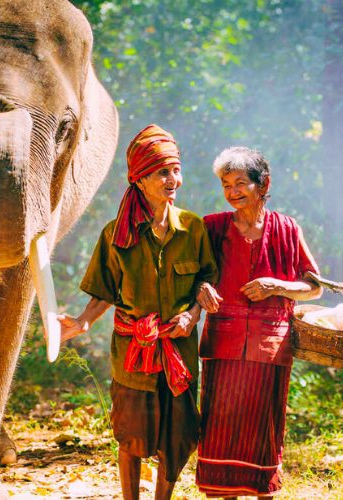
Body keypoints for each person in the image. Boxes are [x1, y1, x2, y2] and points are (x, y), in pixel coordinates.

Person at [58, 124, 218, 500]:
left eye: (176, 170)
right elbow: (103, 292)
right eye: (163, 172)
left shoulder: (193, 228)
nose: (173, 179)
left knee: (177, 437)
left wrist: (194, 313)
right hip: (133, 357)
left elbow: (206, 279)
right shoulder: (117, 234)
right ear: (140, 179)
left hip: (178, 352)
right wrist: (81, 322)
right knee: (132, 437)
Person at [194, 146, 323, 498]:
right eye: (225, 184)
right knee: (220, 428)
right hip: (224, 345)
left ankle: (263, 491)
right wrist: (202, 288)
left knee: (263, 431)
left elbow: (314, 288)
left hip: (270, 348)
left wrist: (277, 285)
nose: (232, 192)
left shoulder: (286, 229)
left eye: (240, 183)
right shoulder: (212, 227)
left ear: (262, 184)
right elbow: (193, 277)